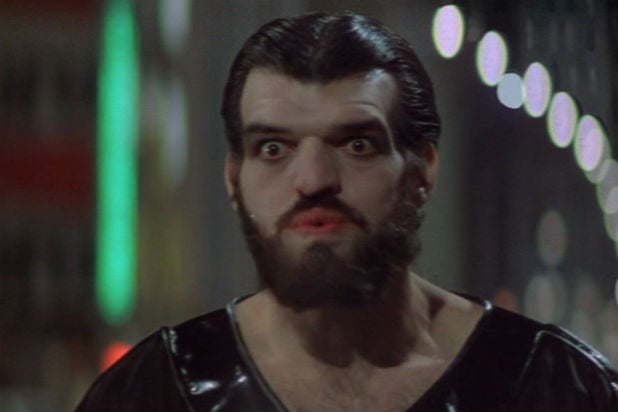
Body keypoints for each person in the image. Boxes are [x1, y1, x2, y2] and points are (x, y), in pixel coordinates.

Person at [76, 11, 618, 412]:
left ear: (423, 169)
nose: (313, 180)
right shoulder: (157, 390)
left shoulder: (554, 386)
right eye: (274, 148)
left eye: (357, 145)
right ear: (233, 179)